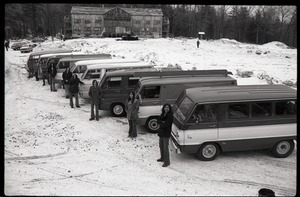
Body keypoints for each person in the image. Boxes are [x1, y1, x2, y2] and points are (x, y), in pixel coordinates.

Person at [157, 103, 173, 167]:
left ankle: (167, 162)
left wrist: (161, 122)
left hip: (166, 134)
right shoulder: (163, 114)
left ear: (169, 109)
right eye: (165, 107)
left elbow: (165, 125)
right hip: (161, 133)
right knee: (161, 146)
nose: (166, 108)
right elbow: (158, 121)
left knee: (165, 148)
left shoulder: (170, 116)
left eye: (167, 107)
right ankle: (162, 158)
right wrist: (162, 122)